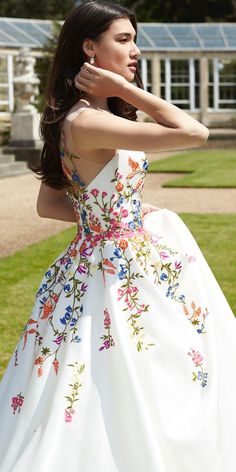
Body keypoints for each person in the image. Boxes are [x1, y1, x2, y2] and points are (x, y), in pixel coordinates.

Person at [0, 1, 236, 471]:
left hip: (109, 254)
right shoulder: (87, 121)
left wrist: (112, 216)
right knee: (129, 368)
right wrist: (127, 90)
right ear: (90, 47)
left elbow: (49, 205)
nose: (136, 50)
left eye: (135, 39)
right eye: (123, 40)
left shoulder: (74, 114)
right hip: (116, 270)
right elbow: (195, 132)